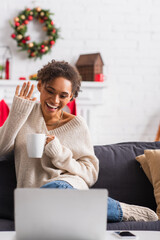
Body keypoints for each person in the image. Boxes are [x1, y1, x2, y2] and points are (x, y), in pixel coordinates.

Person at [0, 60, 158, 222]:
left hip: (64, 185)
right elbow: (2, 149)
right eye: (50, 91)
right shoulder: (23, 113)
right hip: (32, 197)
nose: (55, 100)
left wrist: (59, 154)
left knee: (55, 191)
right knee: (39, 206)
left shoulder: (77, 125)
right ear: (40, 86)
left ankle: (121, 211)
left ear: (71, 97)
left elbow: (90, 173)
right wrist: (17, 113)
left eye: (63, 96)